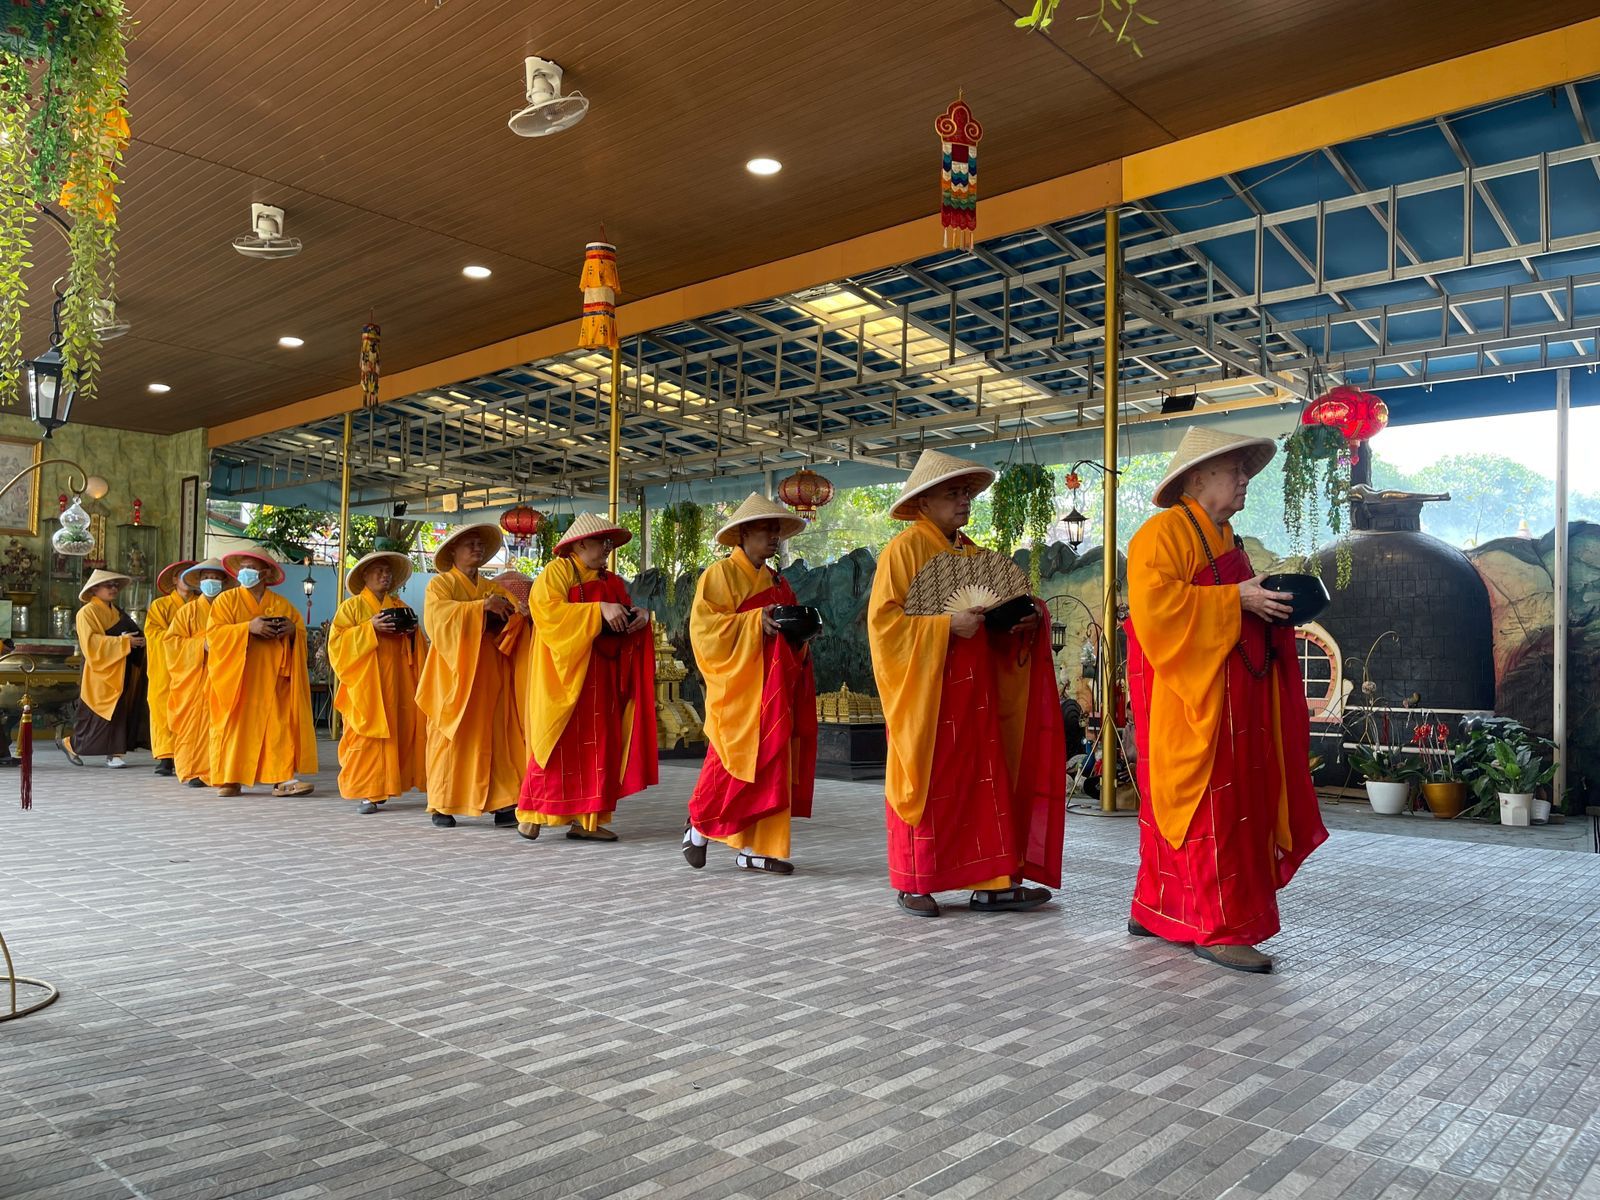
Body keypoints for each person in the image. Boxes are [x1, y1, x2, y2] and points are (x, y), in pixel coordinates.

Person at [1124, 427, 1327, 973]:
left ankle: (1159, 909)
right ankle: (1221, 928)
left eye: (1244, 470)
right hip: (1192, 701)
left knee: (1235, 808)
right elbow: (1156, 614)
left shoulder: (1229, 539)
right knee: (1209, 810)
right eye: (1234, 470)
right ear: (1197, 476)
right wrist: (1235, 599)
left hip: (1240, 699)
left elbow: (1232, 601)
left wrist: (1264, 602)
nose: (1244, 480)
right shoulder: (1161, 534)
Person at [867, 450, 1066, 917]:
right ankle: (915, 881)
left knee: (984, 784)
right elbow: (884, 628)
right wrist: (944, 625)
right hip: (927, 694)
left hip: (978, 693)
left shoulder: (972, 553)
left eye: (967, 493)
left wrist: (1025, 618)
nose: (964, 501)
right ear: (923, 501)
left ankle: (992, 883)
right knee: (928, 783)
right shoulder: (903, 551)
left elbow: (993, 611)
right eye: (953, 493)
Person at [683, 494, 817, 874]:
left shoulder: (777, 581)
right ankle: (698, 825)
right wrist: (753, 621)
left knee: (772, 766)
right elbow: (705, 631)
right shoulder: (720, 575)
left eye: (776, 530)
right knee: (728, 765)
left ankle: (759, 848)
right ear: (743, 533)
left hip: (774, 688)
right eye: (765, 529)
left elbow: (788, 631)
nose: (774, 537)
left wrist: (803, 636)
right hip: (740, 689)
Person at [515, 512, 657, 843]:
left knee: (599, 747)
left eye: (609, 542)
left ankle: (587, 821)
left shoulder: (612, 581)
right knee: (555, 741)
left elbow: (622, 613)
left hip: (602, 675)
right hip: (564, 674)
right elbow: (546, 612)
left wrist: (640, 617)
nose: (607, 548)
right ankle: (532, 813)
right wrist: (597, 610)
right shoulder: (557, 572)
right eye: (601, 541)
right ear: (580, 544)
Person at [414, 523, 528, 829]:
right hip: (452, 675)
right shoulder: (440, 585)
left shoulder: (493, 587)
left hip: (489, 674)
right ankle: (443, 803)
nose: (477, 549)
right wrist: (481, 608)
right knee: (449, 738)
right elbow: (437, 620)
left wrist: (515, 614)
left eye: (480, 545)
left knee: (496, 736)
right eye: (470, 544)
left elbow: (514, 617)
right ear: (453, 550)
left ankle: (502, 801)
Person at [205, 549, 318, 798]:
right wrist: (248, 628)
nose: (245, 572)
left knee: (278, 727)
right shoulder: (226, 601)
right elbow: (213, 636)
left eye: (252, 568)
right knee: (235, 728)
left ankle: (282, 779)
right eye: (243, 567)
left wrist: (291, 632)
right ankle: (230, 777)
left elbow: (299, 633)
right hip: (237, 680)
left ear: (265, 574)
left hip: (273, 679)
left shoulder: (282, 605)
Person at [328, 550, 426, 815]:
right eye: (379, 571)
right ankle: (368, 792)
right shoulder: (351, 608)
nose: (385, 576)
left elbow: (418, 645)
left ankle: (389, 785)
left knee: (398, 732)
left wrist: (412, 633)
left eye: (388, 572)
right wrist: (369, 628)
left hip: (397, 682)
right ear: (365, 576)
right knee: (366, 735)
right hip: (365, 686)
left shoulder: (399, 606)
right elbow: (336, 646)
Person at [60, 569, 149, 769]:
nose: (113, 589)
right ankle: (71, 744)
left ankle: (114, 753)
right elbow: (91, 643)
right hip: (98, 671)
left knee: (118, 712)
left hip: (120, 667)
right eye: (108, 585)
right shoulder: (86, 613)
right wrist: (123, 642)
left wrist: (139, 641)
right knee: (95, 718)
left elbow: (132, 632)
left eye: (115, 585)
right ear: (94, 589)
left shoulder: (117, 612)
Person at [166, 559, 233, 789]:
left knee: (222, 725)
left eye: (216, 578)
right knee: (194, 725)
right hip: (195, 679)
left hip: (223, 676)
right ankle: (193, 770)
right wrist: (199, 645)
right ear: (199, 582)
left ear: (223, 582)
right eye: (206, 578)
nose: (211, 582)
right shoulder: (188, 611)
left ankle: (221, 770)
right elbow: (171, 643)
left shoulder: (231, 609)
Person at [145, 559, 196, 776]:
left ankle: (189, 755)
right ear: (175, 579)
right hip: (165, 666)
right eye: (183, 574)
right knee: (162, 707)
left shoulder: (202, 604)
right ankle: (166, 756)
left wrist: (192, 645)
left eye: (191, 574)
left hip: (193, 664)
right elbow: (153, 634)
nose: (187, 578)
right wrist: (180, 641)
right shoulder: (160, 606)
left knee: (191, 710)